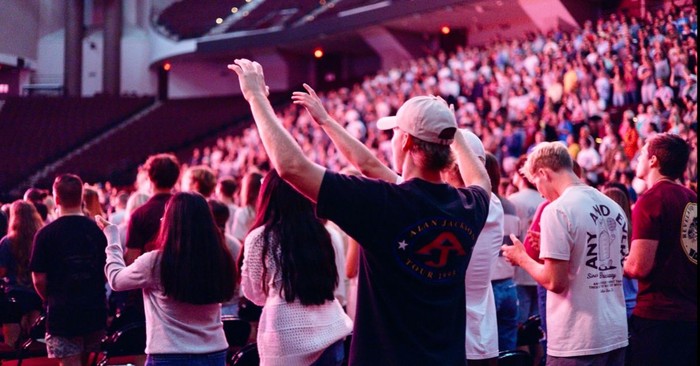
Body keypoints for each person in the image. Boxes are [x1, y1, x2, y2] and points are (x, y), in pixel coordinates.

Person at [231, 60, 490, 365]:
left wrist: (256, 98)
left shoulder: (382, 203)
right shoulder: (468, 206)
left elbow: (291, 168)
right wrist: (326, 122)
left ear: (405, 141)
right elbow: (479, 179)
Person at [502, 142, 629, 364]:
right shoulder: (613, 206)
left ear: (543, 173)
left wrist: (521, 258)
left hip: (578, 339)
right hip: (615, 332)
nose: (540, 194)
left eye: (536, 183)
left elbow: (555, 281)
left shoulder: (558, 210)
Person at [99, 192, 236, 366]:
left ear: (171, 223)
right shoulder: (219, 259)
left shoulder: (155, 262)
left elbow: (116, 280)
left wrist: (112, 238)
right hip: (213, 353)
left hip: (170, 355)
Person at [241, 169, 352, 365]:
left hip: (285, 341)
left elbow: (254, 294)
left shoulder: (260, 238)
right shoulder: (323, 233)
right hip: (332, 331)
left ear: (268, 196)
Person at [624, 133, 697, 366]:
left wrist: (622, 261)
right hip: (689, 315)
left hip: (658, 318)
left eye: (642, 154)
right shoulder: (691, 197)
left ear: (653, 161)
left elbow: (639, 267)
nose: (638, 159)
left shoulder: (651, 199)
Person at [29, 174, 108, 366]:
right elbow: (108, 271)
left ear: (56, 199)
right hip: (95, 310)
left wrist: (51, 297)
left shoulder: (45, 235)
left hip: (62, 313)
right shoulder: (98, 231)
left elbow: (38, 279)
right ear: (81, 198)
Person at [0, 201, 44, 348]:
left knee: (11, 343)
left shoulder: (7, 242)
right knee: (35, 341)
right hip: (37, 295)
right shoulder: (40, 240)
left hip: (13, 297)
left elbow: (2, 271)